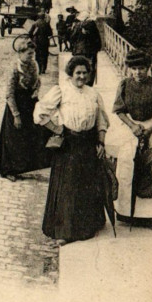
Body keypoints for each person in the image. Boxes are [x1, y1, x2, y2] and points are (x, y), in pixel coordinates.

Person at [34, 55, 109, 245]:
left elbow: (101, 119)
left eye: (85, 73)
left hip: (88, 144)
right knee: (67, 186)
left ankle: (87, 226)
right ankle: (64, 231)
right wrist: (57, 128)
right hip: (69, 144)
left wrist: (100, 142)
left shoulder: (93, 94)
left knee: (87, 184)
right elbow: (40, 112)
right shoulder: (61, 91)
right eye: (78, 73)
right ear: (71, 74)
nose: (82, 77)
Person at [0, 37, 51, 182]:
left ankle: (25, 167)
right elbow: (9, 94)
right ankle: (8, 170)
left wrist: (36, 91)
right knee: (14, 140)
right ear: (20, 53)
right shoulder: (14, 69)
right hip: (17, 105)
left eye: (33, 54)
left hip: (29, 104)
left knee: (31, 135)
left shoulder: (34, 65)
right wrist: (16, 115)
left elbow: (38, 81)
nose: (31, 57)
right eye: (29, 54)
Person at [112, 49, 152, 228]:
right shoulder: (125, 84)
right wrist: (132, 126)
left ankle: (151, 215)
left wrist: (148, 130)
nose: (138, 72)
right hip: (131, 127)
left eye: (142, 68)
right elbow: (119, 110)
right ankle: (127, 213)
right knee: (127, 164)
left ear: (148, 68)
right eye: (134, 68)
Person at [70, 12, 102, 86]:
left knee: (78, 67)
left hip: (78, 51)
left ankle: (79, 83)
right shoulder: (92, 25)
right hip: (91, 51)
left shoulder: (77, 26)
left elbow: (72, 38)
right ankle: (88, 84)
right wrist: (97, 48)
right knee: (90, 68)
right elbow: (97, 39)